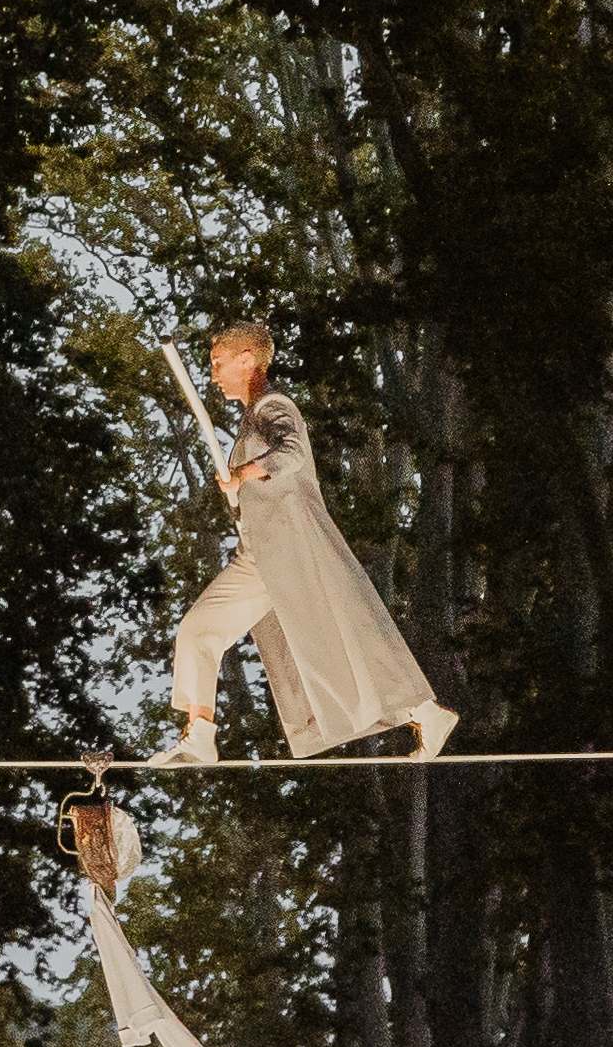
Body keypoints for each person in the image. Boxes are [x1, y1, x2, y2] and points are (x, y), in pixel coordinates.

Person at [151, 320, 452, 766]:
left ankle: (422, 711)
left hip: (292, 552)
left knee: (337, 643)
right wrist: (239, 492)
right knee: (199, 630)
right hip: (261, 555)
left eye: (219, 363)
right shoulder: (253, 417)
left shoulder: (275, 405)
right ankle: (200, 734)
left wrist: (243, 474)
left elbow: (291, 455)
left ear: (248, 359)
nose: (213, 375)